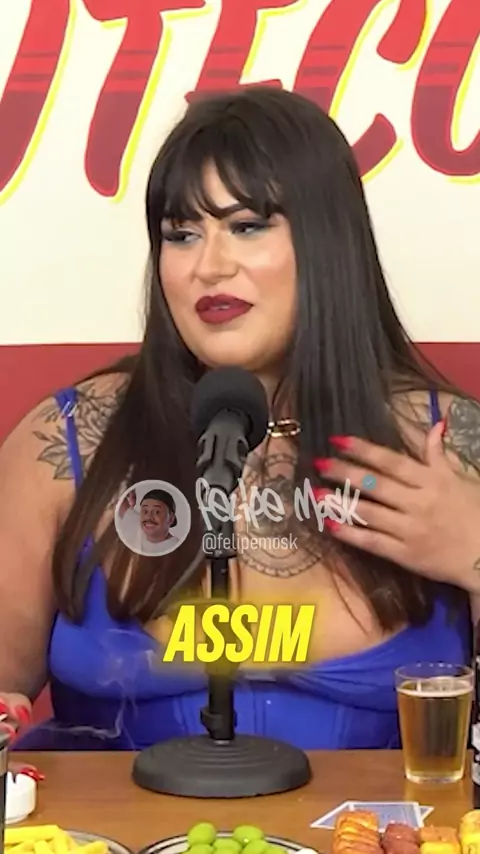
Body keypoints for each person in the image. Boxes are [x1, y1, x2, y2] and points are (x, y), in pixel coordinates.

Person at [0, 86, 479, 751]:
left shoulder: (450, 443)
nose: (209, 266)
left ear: (327, 242)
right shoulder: (69, 441)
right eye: (181, 234)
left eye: (247, 225)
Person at [117, 487, 180, 555]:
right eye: (145, 511)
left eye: (157, 512)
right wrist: (129, 488)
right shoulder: (137, 526)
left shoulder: (177, 550)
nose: (149, 517)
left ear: (171, 518)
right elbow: (119, 502)